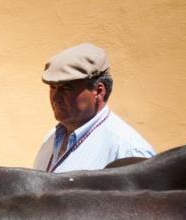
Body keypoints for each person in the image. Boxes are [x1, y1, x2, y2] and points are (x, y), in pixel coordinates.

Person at [33, 43, 154, 172]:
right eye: (52, 87)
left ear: (98, 91)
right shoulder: (53, 137)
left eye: (66, 88)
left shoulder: (128, 151)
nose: (56, 97)